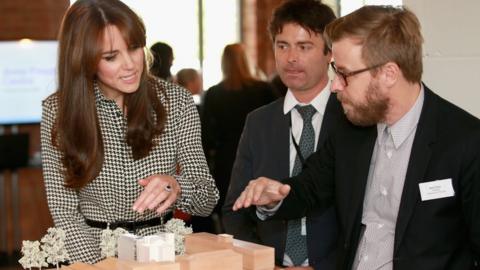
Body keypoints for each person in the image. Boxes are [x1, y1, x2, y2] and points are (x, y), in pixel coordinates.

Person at [233, 5, 480, 270]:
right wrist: (275, 196)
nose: (335, 85)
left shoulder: (464, 141)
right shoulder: (350, 130)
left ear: (388, 74)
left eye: (344, 74)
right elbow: (310, 188)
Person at [40, 0, 218, 264]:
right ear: (84, 59)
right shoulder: (58, 111)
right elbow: (65, 212)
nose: (131, 65)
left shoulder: (177, 102)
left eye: (134, 48)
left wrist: (177, 186)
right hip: (93, 255)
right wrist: (101, 267)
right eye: (111, 57)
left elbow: (207, 198)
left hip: (165, 254)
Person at [223, 0, 339, 269]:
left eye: (304, 47)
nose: (291, 58)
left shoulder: (350, 119)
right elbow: (234, 210)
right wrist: (265, 265)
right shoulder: (259, 122)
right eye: (282, 45)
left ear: (329, 53)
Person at [200, 43, 276, 233]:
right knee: (262, 213)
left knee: (232, 216)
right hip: (261, 157)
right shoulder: (264, 89)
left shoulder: (214, 94)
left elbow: (206, 137)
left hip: (227, 161)